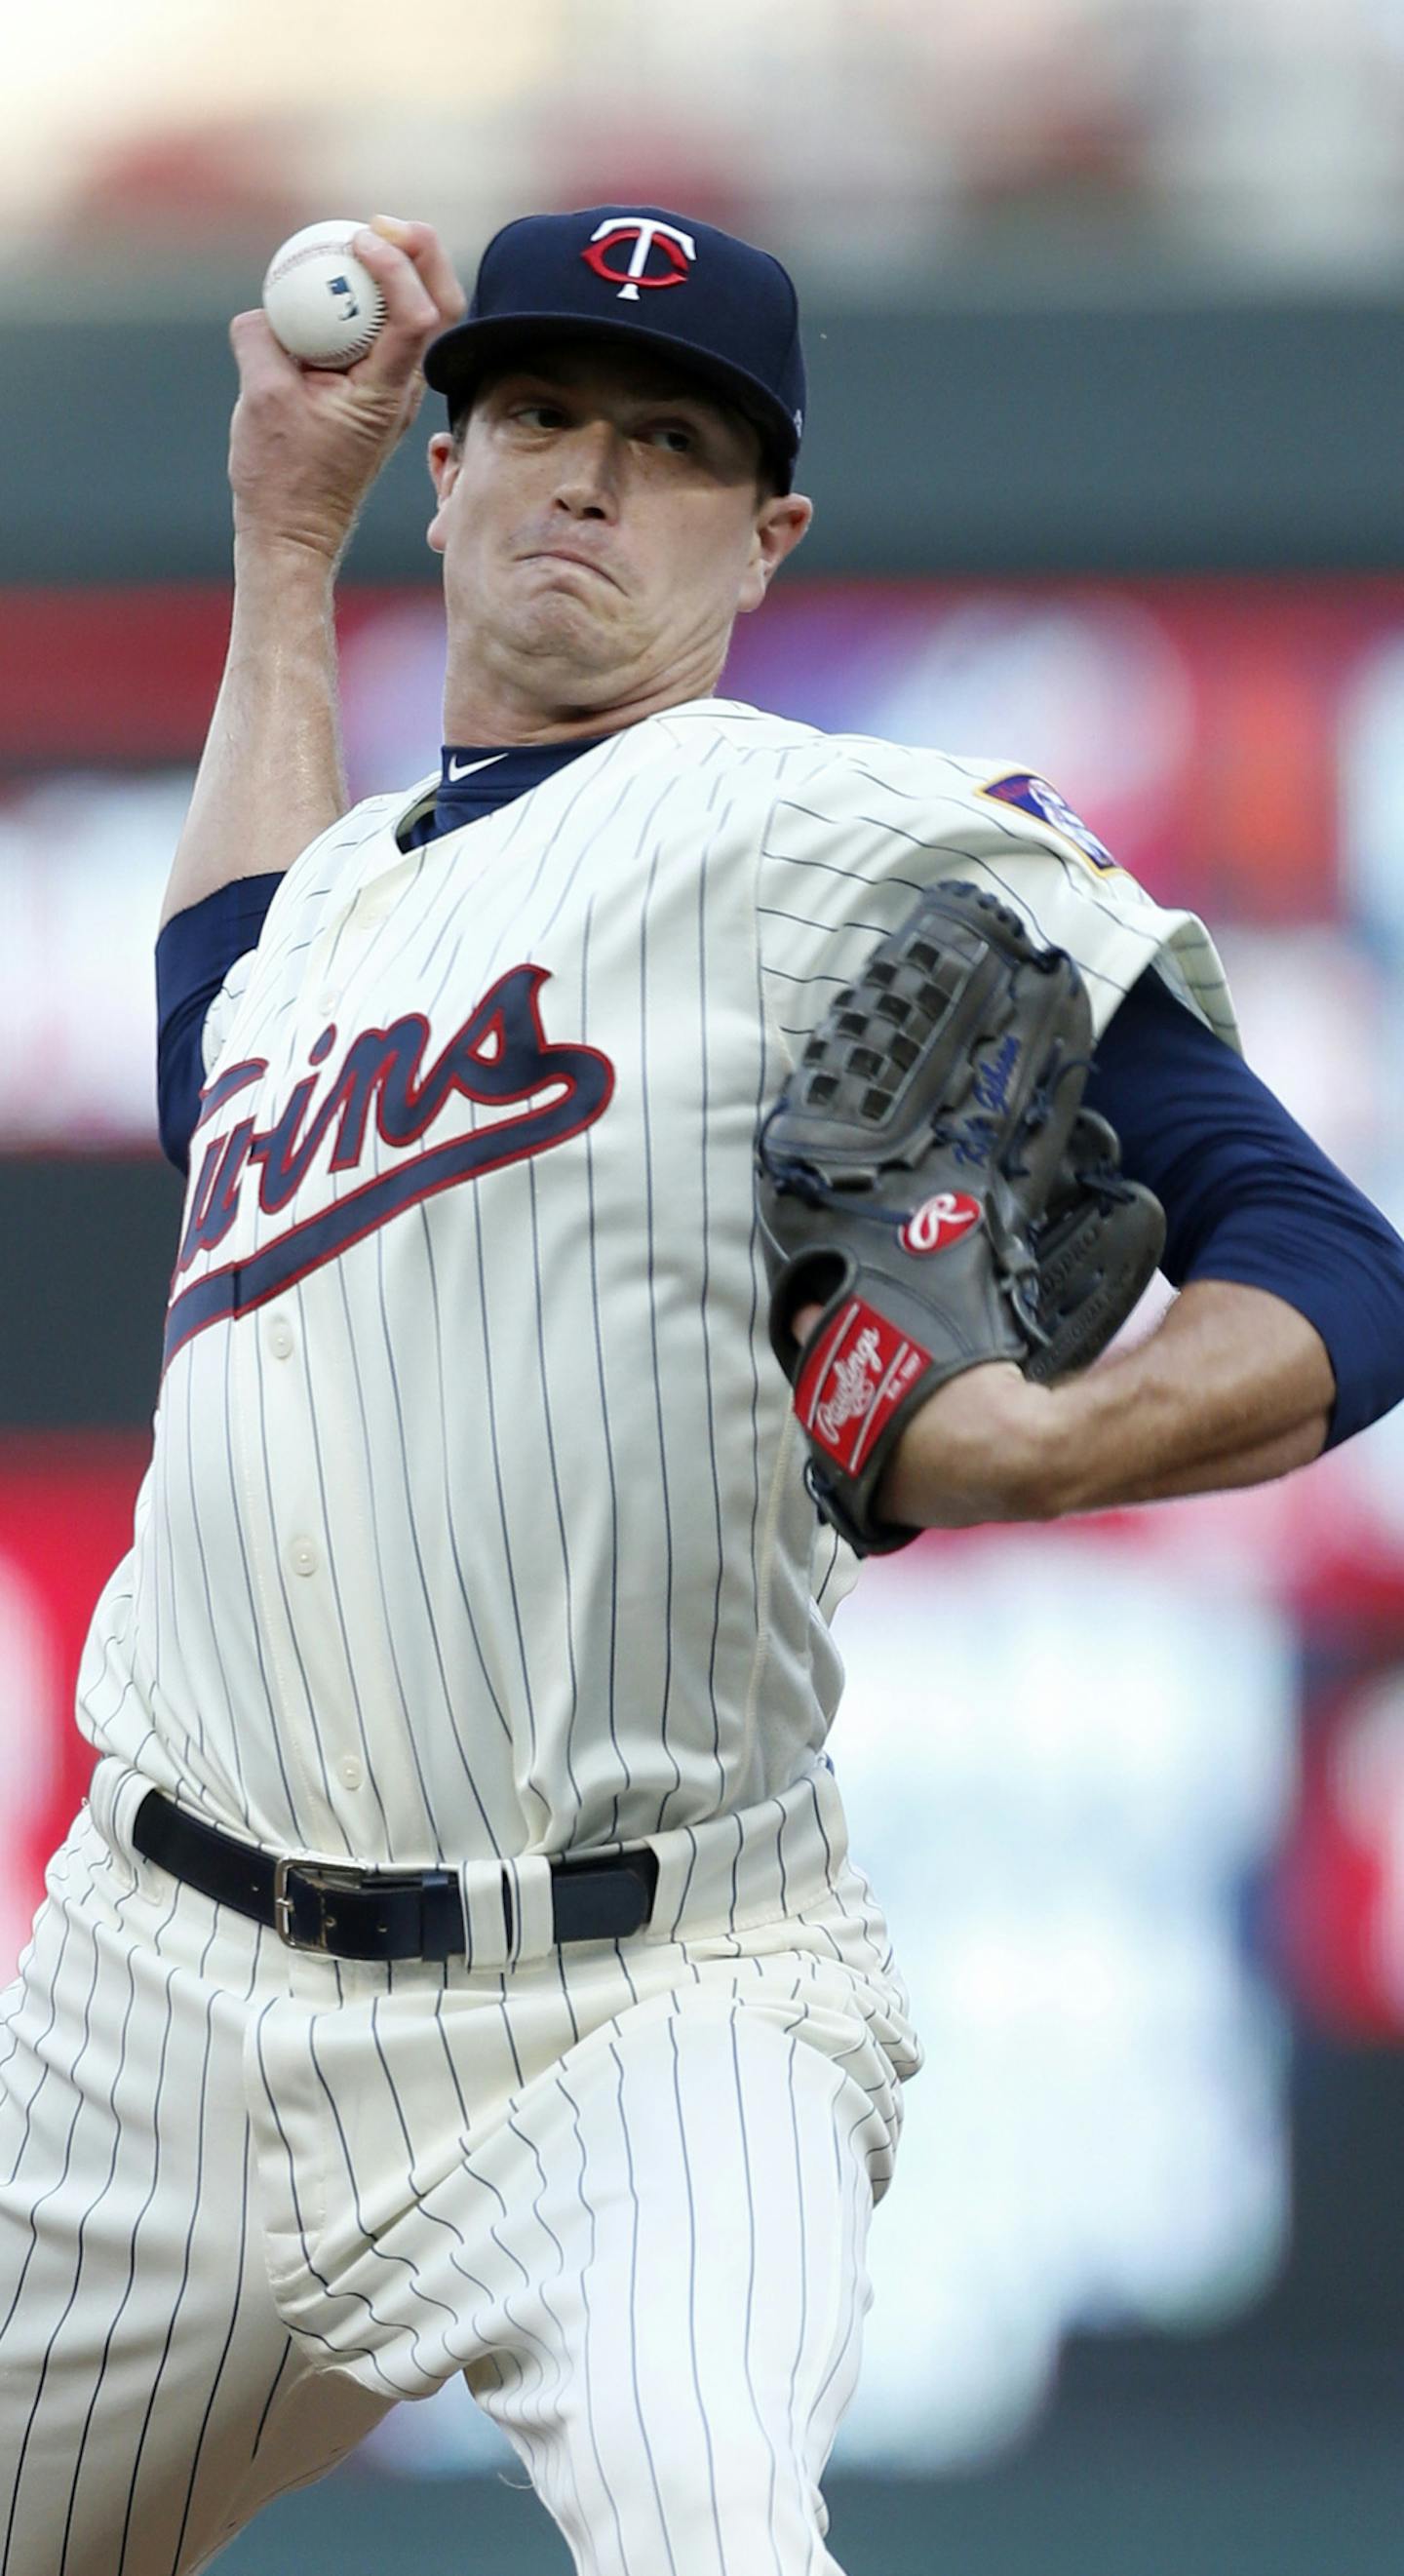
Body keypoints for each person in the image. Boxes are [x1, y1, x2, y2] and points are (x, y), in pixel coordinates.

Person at [2, 202, 1403, 2576]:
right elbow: (207, 1031)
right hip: (169, 1988)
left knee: (711, 2531)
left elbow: (1328, 1259)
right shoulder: (336, 901)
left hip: (650, 2004)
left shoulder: (828, 827)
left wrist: (1049, 1441)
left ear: (767, 543)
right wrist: (276, 545)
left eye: (669, 444)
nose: (587, 475)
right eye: (542, 412)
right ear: (442, 471)